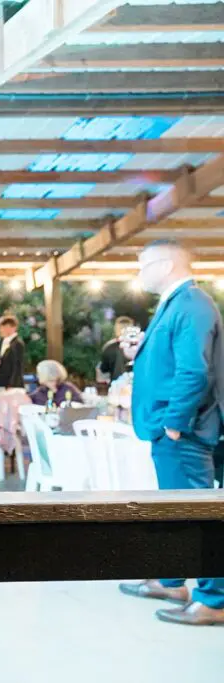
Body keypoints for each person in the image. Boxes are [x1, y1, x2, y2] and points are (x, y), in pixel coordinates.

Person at [118, 240, 224, 625]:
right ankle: (172, 581)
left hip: (185, 430)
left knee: (198, 515)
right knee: (178, 511)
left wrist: (175, 423)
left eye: (143, 265)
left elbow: (194, 370)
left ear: (165, 265)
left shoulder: (191, 303)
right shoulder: (178, 303)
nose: (140, 273)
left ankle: (213, 600)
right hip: (174, 427)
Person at [99, 315, 134, 382]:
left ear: (116, 329)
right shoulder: (137, 346)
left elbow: (103, 369)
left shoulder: (109, 347)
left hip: (116, 385)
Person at [0, 314, 25, 388]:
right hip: (3, 383)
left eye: (2, 327)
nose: (0, 330)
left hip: (13, 386)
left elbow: (17, 367)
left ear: (12, 328)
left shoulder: (17, 344)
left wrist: (11, 385)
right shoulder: (3, 342)